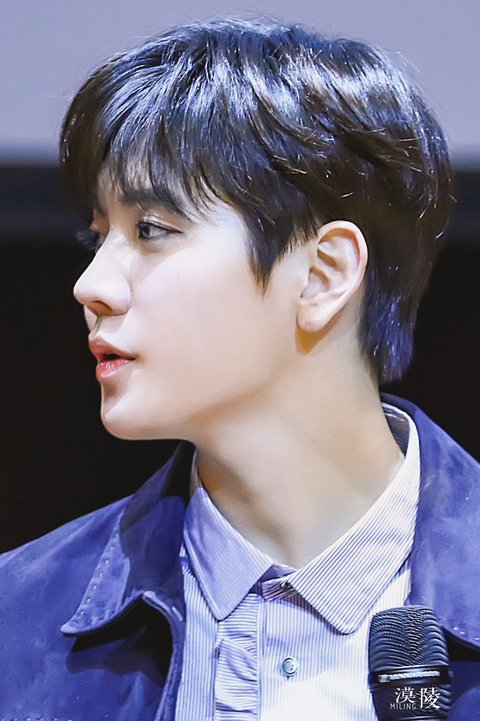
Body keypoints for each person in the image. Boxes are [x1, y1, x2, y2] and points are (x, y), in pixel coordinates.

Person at [0, 16, 478, 721]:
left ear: (323, 274)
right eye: (100, 237)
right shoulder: (20, 621)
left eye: (151, 230)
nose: (91, 285)